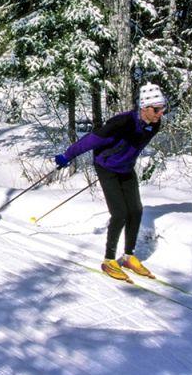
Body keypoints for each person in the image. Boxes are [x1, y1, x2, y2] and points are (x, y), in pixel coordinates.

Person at [53, 82, 167, 281]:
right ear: (144, 107)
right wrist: (67, 156)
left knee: (136, 210)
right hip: (106, 166)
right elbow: (91, 140)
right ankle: (108, 260)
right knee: (120, 213)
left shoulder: (155, 125)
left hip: (126, 168)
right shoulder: (121, 123)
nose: (160, 113)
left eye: (163, 108)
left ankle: (128, 256)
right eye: (157, 109)